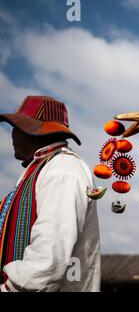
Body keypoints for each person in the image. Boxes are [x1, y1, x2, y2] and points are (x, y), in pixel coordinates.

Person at [0, 96, 101, 292]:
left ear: (31, 131)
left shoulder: (62, 169)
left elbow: (46, 263)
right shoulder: (43, 169)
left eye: (16, 127)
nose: (11, 134)